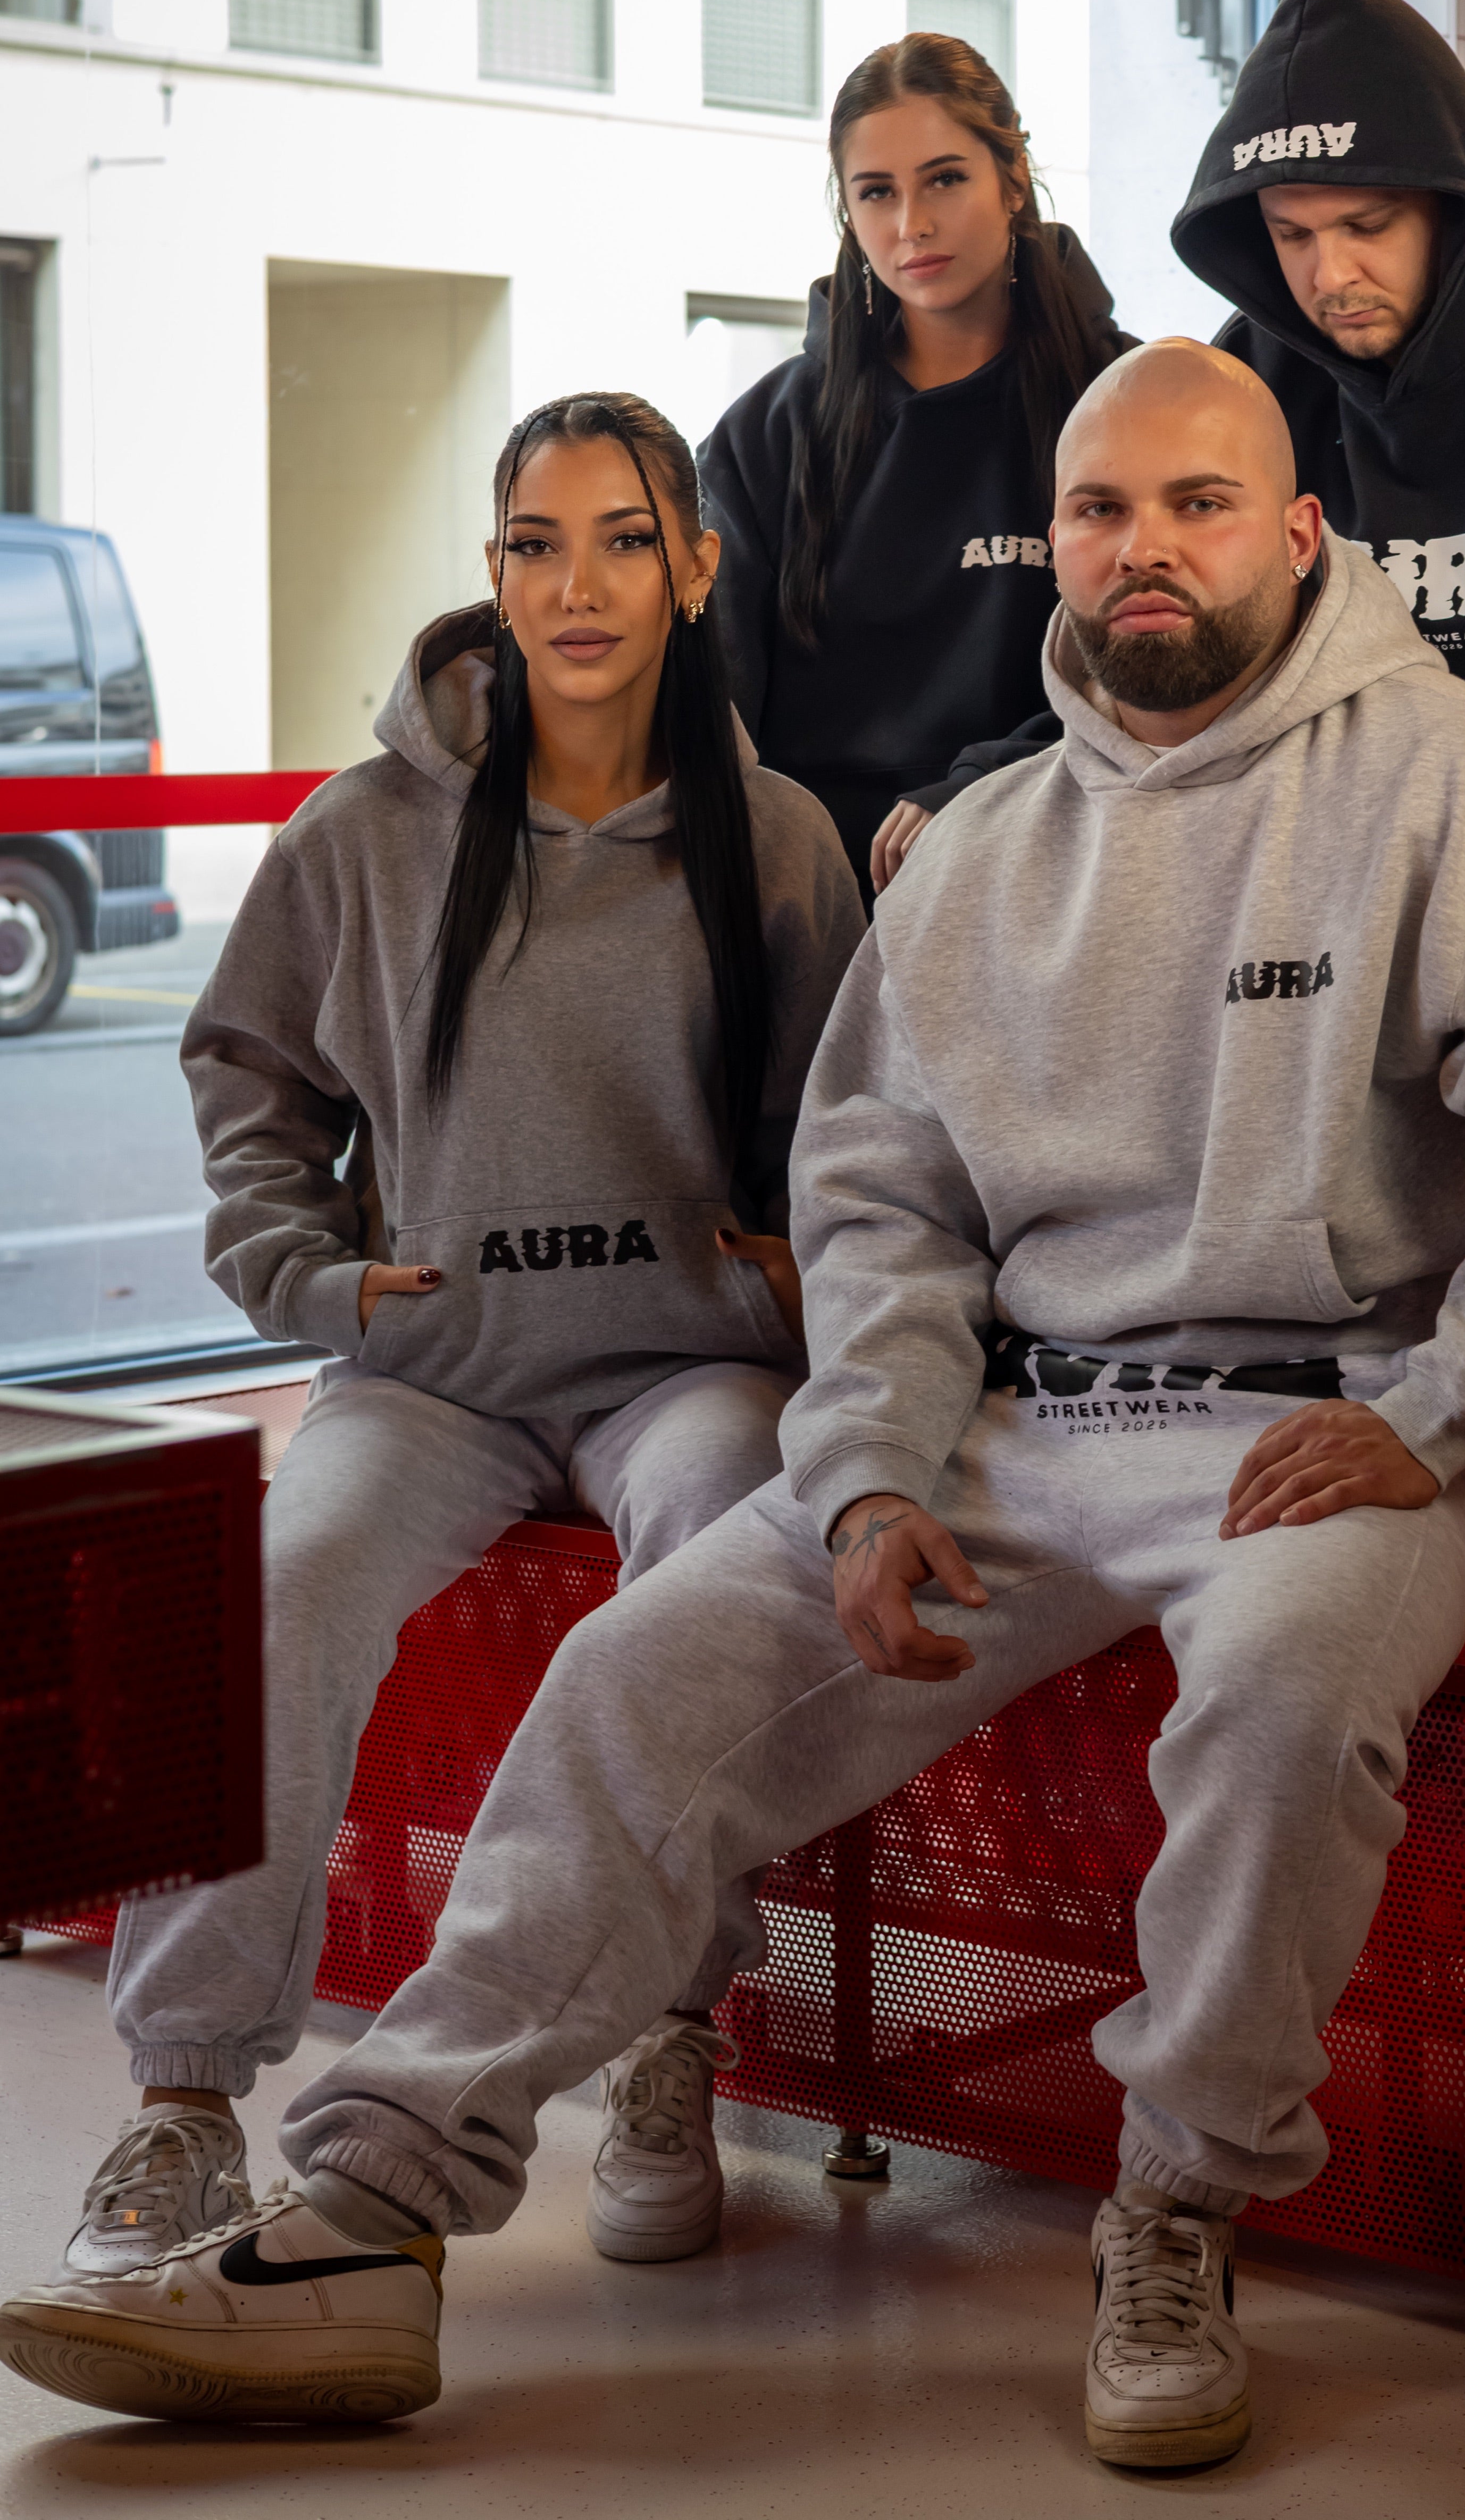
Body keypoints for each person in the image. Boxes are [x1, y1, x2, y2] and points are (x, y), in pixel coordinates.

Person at [0, 342, 1465, 2463]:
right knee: (635, 1676)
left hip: (1340, 1429)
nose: (1146, 547)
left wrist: (1448, 1402)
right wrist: (873, 1470)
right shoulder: (986, 847)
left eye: (1197, 504)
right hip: (1032, 1426)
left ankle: (1175, 2207)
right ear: (1054, 546)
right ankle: (371, 2205)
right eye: (1102, 510)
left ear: (1297, 535)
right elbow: (882, 1207)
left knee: (1280, 1706)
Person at [30, 393, 862, 2299]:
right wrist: (312, 1282)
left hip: (684, 1369)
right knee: (276, 1587)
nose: (580, 585)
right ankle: (181, 2099)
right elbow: (248, 1075)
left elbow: (856, 1130)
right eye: (537, 545)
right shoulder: (371, 830)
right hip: (433, 1379)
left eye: (626, 540)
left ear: (696, 568)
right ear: (492, 572)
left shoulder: (779, 839)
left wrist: (793, 1280)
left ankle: (666, 2039)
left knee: (720, 1553)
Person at [900, 0, 1465, 1552]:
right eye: (1294, 237)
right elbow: (1197, 630)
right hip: (1400, 801)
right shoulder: (1270, 367)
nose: (1328, 276)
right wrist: (994, 773)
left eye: (1366, 227)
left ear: (1451, 202)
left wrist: (1401, 766)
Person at [699, 32, 1131, 895]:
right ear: (847, 212)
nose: (911, 225)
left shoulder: (1123, 405)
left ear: (1013, 181)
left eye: (944, 179)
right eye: (876, 193)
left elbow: (1168, 675)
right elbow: (712, 704)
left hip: (1067, 869)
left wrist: (985, 782)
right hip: (816, 897)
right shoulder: (767, 435)